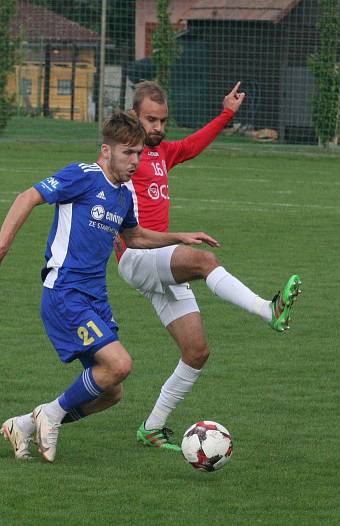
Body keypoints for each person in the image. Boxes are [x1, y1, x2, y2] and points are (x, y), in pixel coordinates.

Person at [0, 111, 219, 463]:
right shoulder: (82, 176)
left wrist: (179, 236)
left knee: (110, 393)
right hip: (65, 293)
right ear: (106, 151)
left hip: (95, 298)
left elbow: (134, 237)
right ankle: (51, 414)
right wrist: (2, 246)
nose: (135, 161)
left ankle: (24, 424)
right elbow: (28, 197)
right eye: (128, 154)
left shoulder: (122, 196)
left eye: (138, 154)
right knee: (119, 364)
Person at [116, 81, 302, 452]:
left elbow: (191, 145)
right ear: (134, 115)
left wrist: (227, 114)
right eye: (151, 120)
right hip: (136, 257)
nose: (158, 128)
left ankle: (152, 428)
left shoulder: (161, 153)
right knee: (204, 259)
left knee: (197, 352)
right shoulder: (122, 157)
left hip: (159, 260)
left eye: (163, 121)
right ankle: (268, 310)